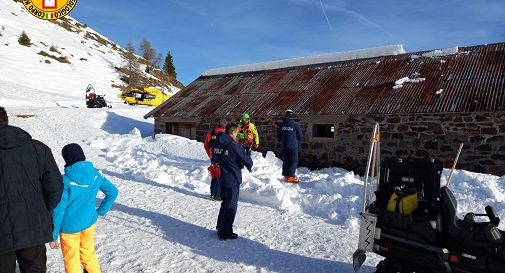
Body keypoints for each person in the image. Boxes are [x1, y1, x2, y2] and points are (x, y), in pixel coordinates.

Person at [0, 106, 63, 273]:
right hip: (33, 226)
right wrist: (41, 210)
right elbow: (55, 188)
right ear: (6, 120)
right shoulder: (38, 148)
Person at [50, 143, 118, 273]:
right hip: (89, 222)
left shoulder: (64, 181)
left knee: (72, 258)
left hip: (69, 228)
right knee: (88, 253)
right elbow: (113, 192)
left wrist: (54, 233)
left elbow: (58, 209)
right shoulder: (96, 174)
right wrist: (100, 212)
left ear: (66, 159)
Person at [212, 123, 253, 240]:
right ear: (233, 132)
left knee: (225, 202)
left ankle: (220, 227)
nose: (237, 135)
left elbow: (214, 158)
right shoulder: (234, 145)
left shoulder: (216, 143)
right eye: (236, 133)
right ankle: (225, 232)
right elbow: (248, 162)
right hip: (232, 179)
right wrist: (247, 151)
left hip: (221, 178)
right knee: (231, 205)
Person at [203, 118, 227, 201]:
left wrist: (210, 155)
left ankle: (212, 194)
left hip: (213, 156)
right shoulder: (224, 134)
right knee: (219, 176)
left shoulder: (211, 133)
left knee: (214, 175)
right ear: (224, 126)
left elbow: (206, 144)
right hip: (221, 157)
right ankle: (217, 196)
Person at [277, 109, 303, 183]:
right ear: (292, 116)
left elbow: (279, 136)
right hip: (293, 146)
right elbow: (300, 136)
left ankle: (286, 174)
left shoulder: (281, 125)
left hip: (284, 146)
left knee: (286, 160)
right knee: (293, 161)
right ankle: (290, 176)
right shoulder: (295, 125)